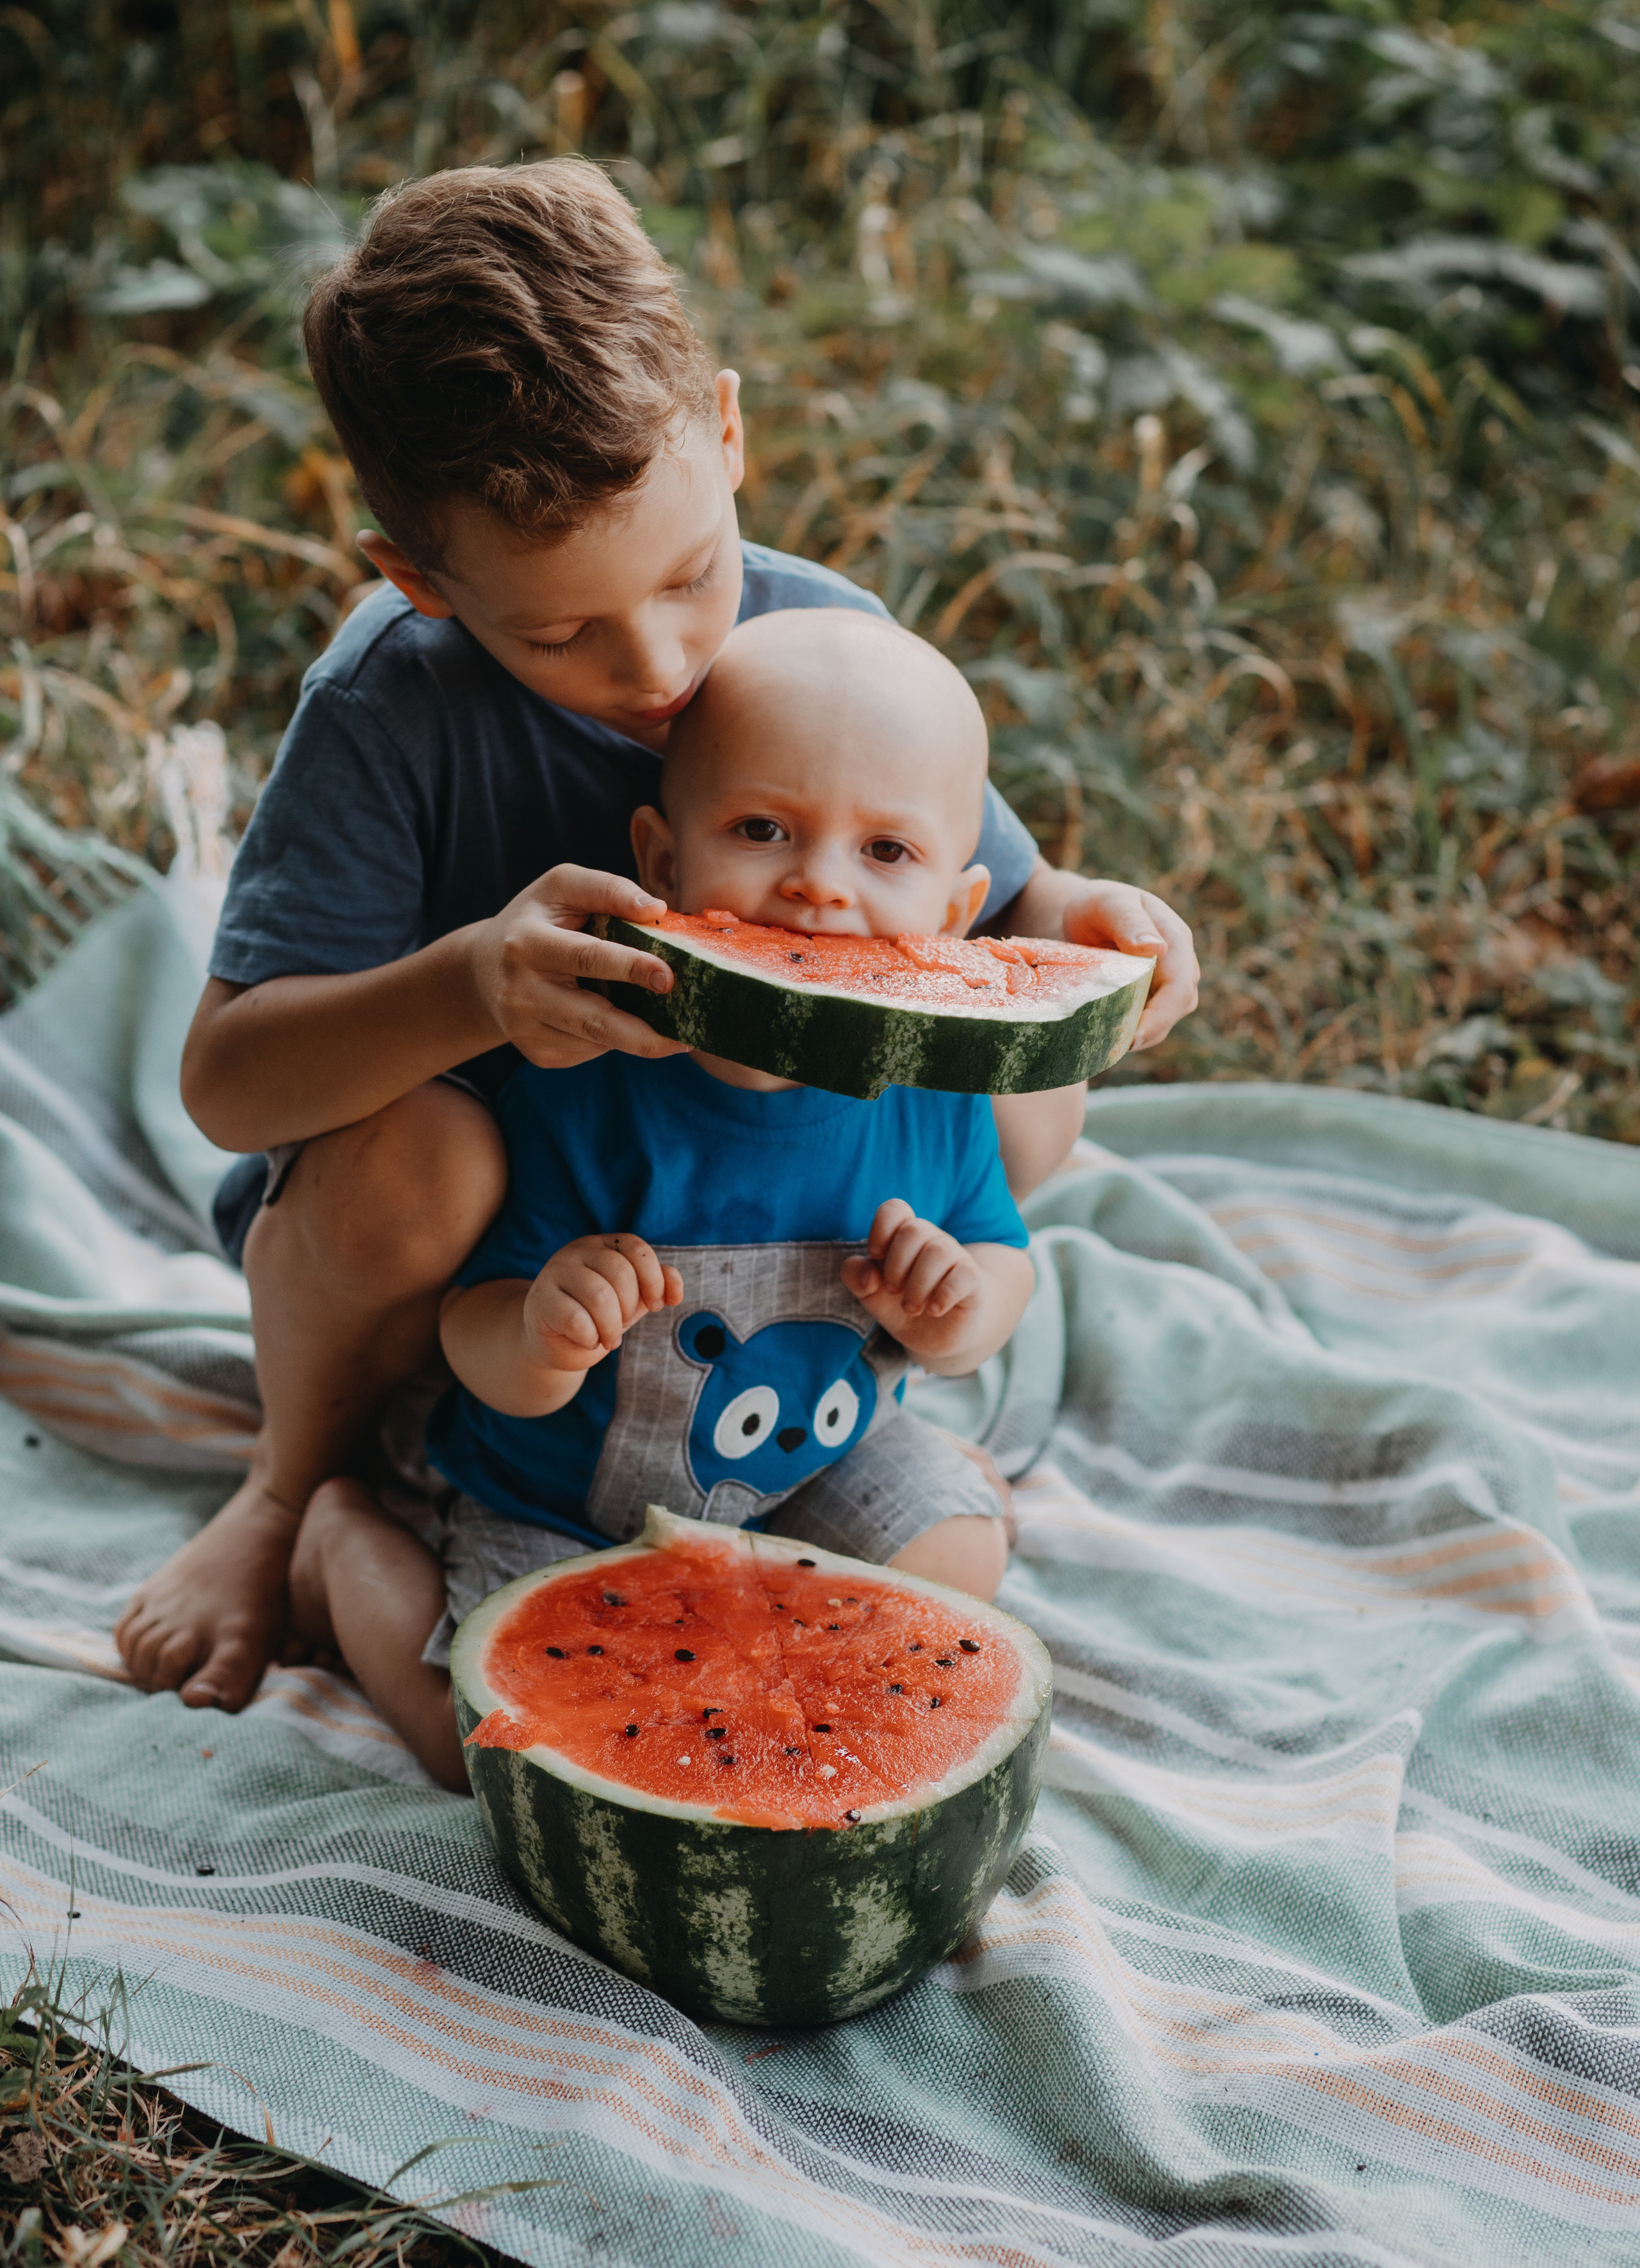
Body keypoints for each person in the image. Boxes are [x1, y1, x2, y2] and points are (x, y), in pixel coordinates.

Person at [113, 157, 1198, 1717]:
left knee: (1030, 1092)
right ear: (422, 582)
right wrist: (471, 987)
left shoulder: (820, 639)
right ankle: (291, 1491)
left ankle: (844, 1383)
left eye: (694, 573)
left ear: (732, 434)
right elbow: (230, 1083)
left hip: (755, 1232)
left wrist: (1097, 933)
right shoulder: (386, 709)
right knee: (435, 1155)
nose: (666, 660)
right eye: (561, 632)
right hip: (465, 1264)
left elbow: (985, 905)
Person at [288, 607, 1041, 1788]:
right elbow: (468, 1327)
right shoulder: (588, 1087)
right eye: (761, 828)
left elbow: (1003, 1249)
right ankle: (341, 1548)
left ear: (956, 914)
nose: (817, 888)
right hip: (562, 1511)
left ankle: (766, 1642)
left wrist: (965, 1306)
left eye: (885, 853)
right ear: (660, 859)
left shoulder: (935, 1093)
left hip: (810, 1476)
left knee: (964, 1561)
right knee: (486, 1746)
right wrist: (543, 1329)